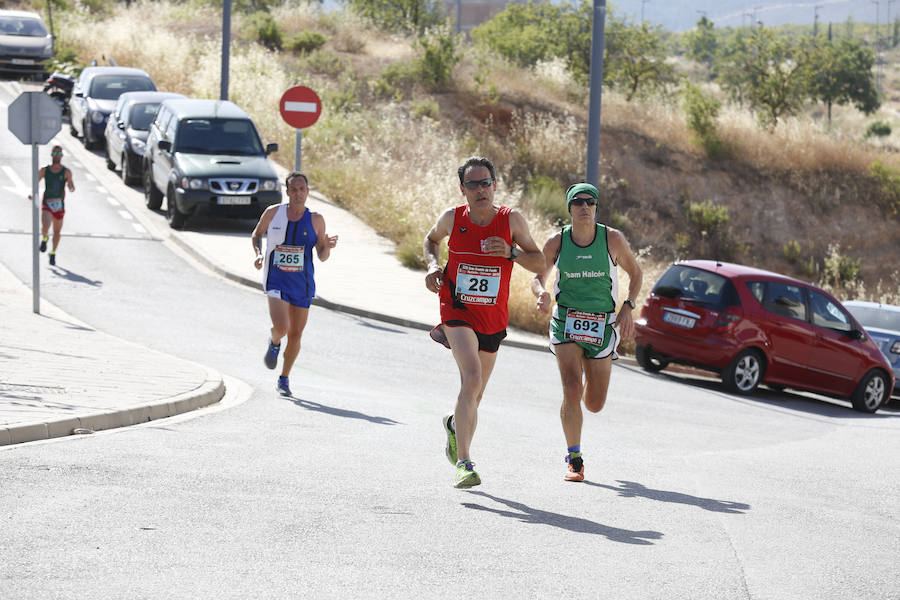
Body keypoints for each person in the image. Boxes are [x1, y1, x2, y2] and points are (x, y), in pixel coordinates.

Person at [424, 156, 545, 488]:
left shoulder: (511, 221)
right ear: (462, 189)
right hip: (457, 309)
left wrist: (511, 253)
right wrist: (432, 266)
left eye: (486, 183)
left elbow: (540, 262)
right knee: (472, 377)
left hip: (492, 317)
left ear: (495, 185)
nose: (481, 190)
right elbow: (431, 240)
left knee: (474, 395)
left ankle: (453, 427)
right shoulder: (452, 218)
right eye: (473, 184)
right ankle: (464, 463)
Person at [532, 183, 642, 482]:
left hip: (602, 324)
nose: (584, 206)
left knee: (594, 403)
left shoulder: (612, 239)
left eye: (590, 202)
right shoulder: (557, 242)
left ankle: (585, 375)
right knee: (570, 387)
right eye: (577, 202)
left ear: (596, 207)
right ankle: (575, 458)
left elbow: (636, 273)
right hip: (566, 319)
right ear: (569, 208)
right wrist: (541, 293)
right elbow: (538, 277)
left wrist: (628, 307)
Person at [251, 171, 338, 396]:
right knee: (282, 327)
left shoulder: (316, 219)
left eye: (302, 189)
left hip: (303, 284)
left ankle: (284, 378)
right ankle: (274, 340)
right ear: (287, 191)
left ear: (308, 192)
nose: (298, 193)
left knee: (296, 334)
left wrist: (327, 246)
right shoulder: (273, 213)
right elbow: (256, 234)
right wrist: (259, 254)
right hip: (276, 279)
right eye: (294, 189)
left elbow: (322, 255)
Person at [38, 145, 75, 266]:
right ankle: (44, 238)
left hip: (59, 205)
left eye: (59, 154)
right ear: (51, 155)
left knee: (57, 232)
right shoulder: (45, 170)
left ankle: (53, 252)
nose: (57, 156)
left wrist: (71, 187)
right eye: (55, 153)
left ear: (62, 156)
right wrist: (32, 194)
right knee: (45, 226)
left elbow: (71, 185)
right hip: (47, 203)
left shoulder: (66, 171)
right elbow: (35, 182)